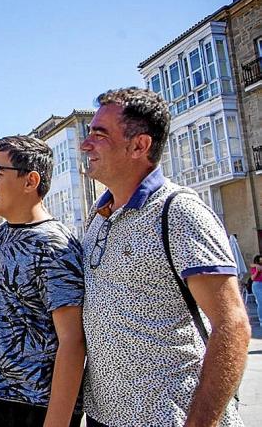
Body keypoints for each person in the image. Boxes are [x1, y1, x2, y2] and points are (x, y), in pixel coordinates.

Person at [80, 87, 250, 426]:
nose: (86, 144)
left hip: (168, 418)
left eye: (100, 134)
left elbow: (232, 326)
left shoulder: (179, 212)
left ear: (139, 146)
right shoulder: (98, 217)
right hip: (104, 417)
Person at [0, 136, 85, 427]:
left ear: (30, 181)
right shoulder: (0, 235)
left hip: (32, 407)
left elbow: (73, 340)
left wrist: (57, 422)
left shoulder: (55, 245)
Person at [250, 254, 262, 326]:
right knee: (261, 303)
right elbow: (252, 278)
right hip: (257, 285)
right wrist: (257, 271)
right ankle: (261, 320)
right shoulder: (255, 267)